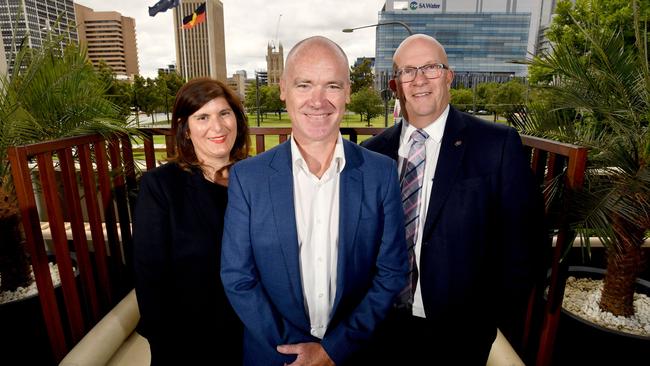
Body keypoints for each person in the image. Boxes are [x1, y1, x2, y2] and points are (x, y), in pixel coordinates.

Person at [220, 36, 408, 366]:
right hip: (275, 356)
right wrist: (298, 352)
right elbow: (238, 277)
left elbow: (391, 272)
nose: (317, 100)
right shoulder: (248, 178)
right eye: (304, 84)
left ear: (348, 91)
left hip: (353, 354)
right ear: (283, 89)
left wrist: (332, 350)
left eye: (332, 86)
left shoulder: (381, 173)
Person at [362, 34, 544, 364]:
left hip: (460, 332)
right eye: (408, 71)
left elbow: (524, 244)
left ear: (449, 76)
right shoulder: (371, 154)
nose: (419, 79)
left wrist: (490, 322)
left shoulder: (497, 145)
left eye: (431, 67)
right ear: (396, 84)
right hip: (381, 325)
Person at [133, 77, 249, 365]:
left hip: (252, 333)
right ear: (185, 129)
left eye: (224, 113)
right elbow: (150, 282)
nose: (218, 127)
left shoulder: (256, 178)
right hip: (189, 342)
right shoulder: (160, 187)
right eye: (203, 117)